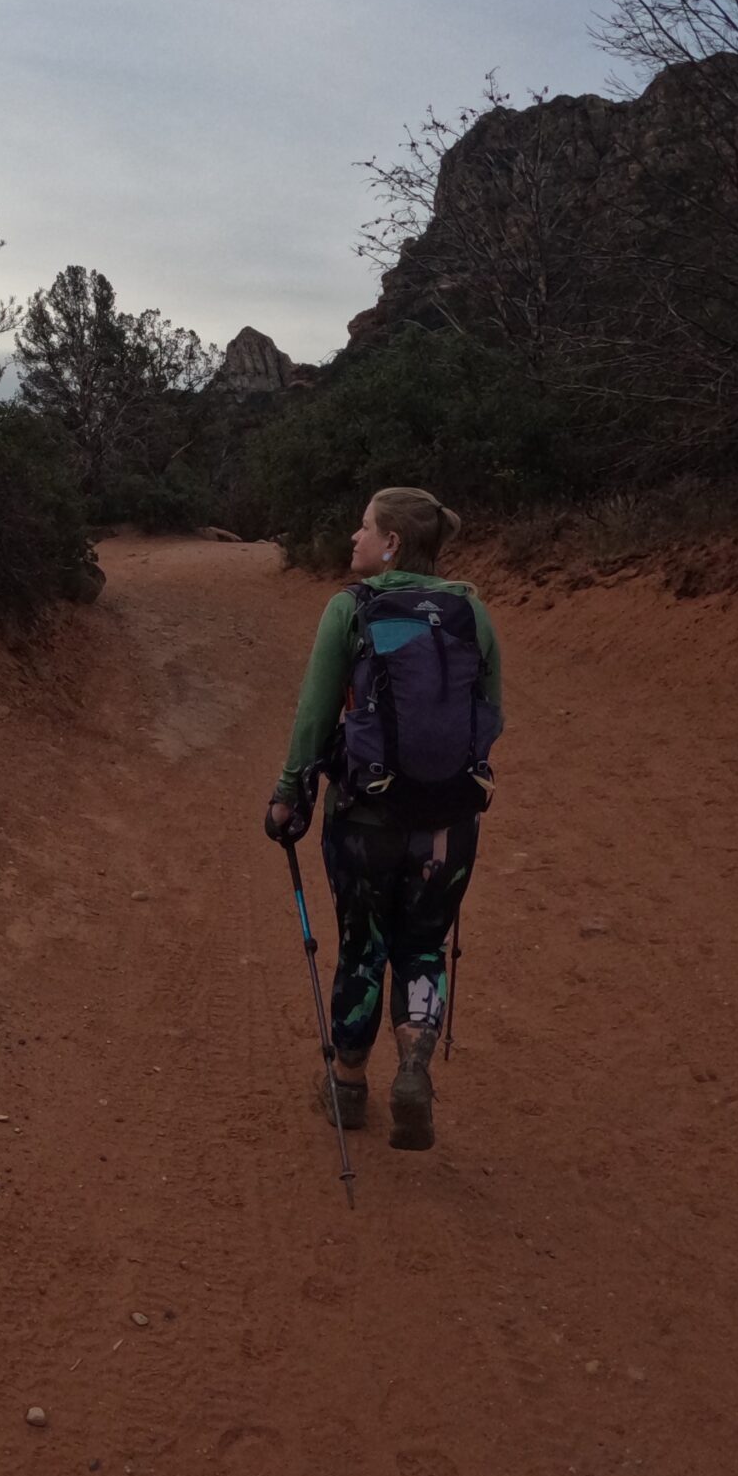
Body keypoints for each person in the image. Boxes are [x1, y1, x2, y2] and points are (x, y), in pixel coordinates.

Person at [263, 487, 502, 1151]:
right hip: (449, 822)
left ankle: (347, 1085)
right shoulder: (471, 611)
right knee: (423, 946)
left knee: (363, 949)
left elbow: (314, 717)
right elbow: (492, 714)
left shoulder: (351, 608)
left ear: (393, 541)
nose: (354, 537)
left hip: (365, 817)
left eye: (364, 527)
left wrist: (288, 794)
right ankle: (415, 1072)